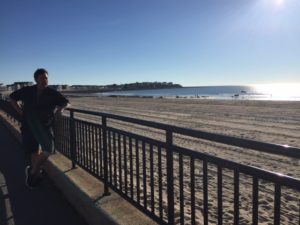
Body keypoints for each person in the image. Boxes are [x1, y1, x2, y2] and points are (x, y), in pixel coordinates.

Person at [9, 68, 70, 188]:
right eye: (42, 78)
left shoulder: (52, 93)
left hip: (45, 126)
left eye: (46, 78)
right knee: (34, 151)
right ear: (36, 79)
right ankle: (36, 177)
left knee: (48, 149)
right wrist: (21, 112)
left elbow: (66, 102)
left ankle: (32, 171)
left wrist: (60, 109)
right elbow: (12, 98)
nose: (44, 80)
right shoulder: (27, 90)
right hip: (28, 125)